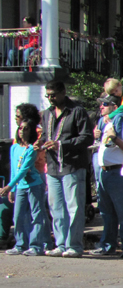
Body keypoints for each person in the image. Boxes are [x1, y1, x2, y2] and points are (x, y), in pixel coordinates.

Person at [39, 81, 93, 258]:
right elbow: (47, 136)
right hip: (53, 166)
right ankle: (61, 244)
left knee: (74, 207)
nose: (50, 99)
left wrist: (61, 144)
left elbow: (87, 138)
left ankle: (75, 245)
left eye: (53, 95)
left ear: (63, 92)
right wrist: (41, 144)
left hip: (72, 166)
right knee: (56, 207)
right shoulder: (47, 114)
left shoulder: (77, 111)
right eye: (48, 95)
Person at [93, 92, 123, 258]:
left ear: (115, 107)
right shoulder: (105, 123)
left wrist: (114, 138)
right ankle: (108, 245)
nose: (101, 107)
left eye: (105, 104)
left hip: (118, 171)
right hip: (104, 172)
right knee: (106, 212)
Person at [1, 119, 47, 255]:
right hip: (20, 186)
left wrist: (8, 187)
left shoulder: (32, 149)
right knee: (18, 216)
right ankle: (20, 244)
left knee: (36, 215)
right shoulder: (14, 148)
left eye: (26, 129)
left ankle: (36, 246)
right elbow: (14, 170)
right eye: (20, 128)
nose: (22, 131)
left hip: (34, 185)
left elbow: (24, 169)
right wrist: (13, 188)